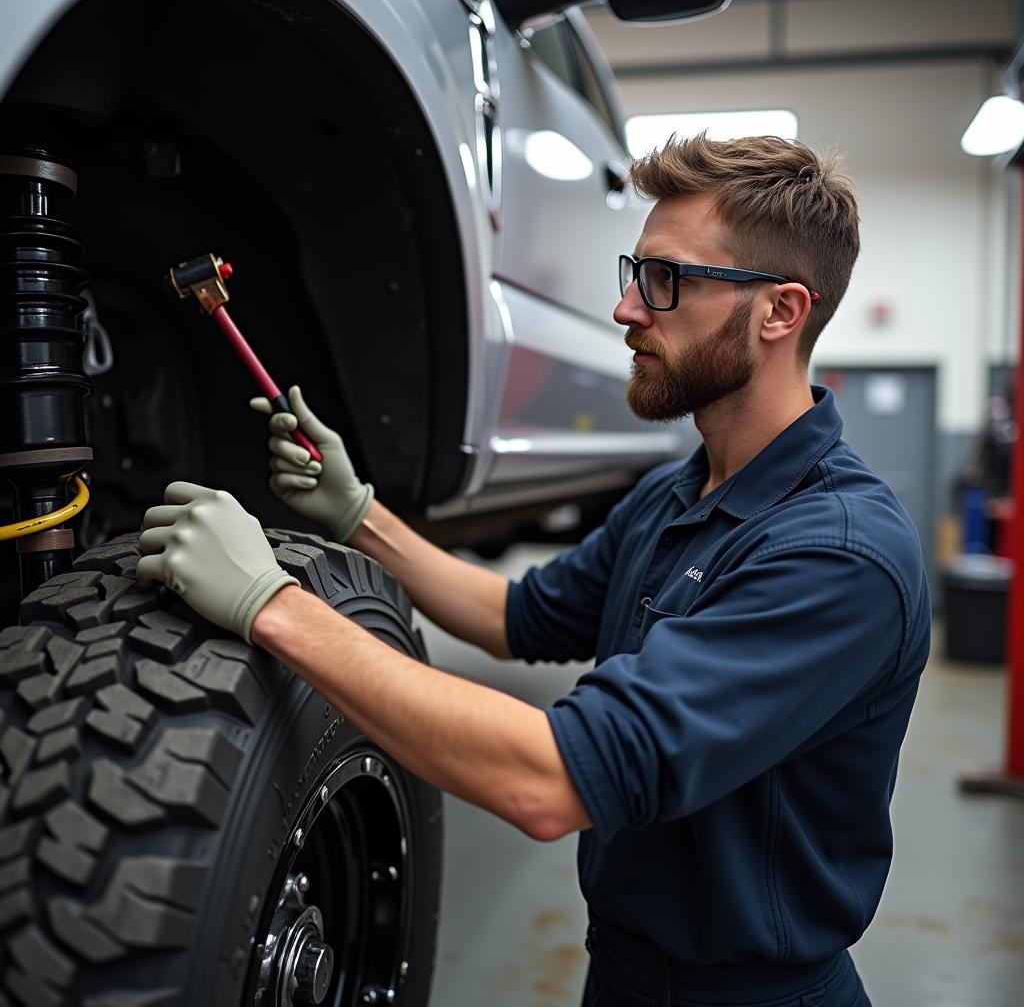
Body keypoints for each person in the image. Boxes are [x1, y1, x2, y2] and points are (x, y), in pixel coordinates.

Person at [138, 134, 930, 1007]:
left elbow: (548, 780)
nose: (627, 308)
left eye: (665, 280)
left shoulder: (839, 556)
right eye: (635, 271)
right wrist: (360, 514)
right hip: (626, 974)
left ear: (780, 312)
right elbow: (518, 616)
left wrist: (273, 605)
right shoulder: (678, 494)